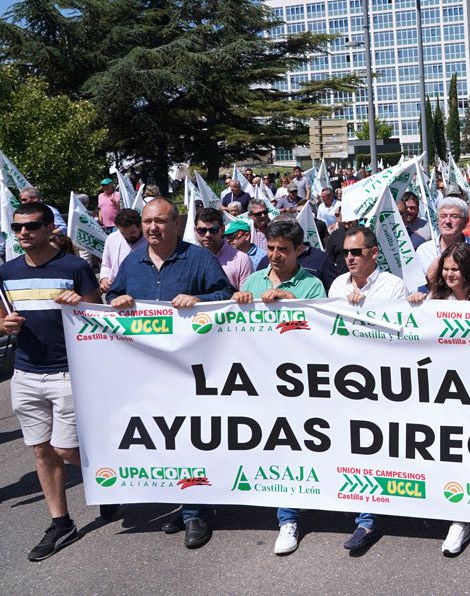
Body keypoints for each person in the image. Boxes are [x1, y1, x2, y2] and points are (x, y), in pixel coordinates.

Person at [107, 198, 234, 550]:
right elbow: (115, 295)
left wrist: (197, 299)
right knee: (164, 439)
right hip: (147, 373)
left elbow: (225, 293)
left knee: (189, 437)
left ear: (176, 225)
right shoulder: (134, 260)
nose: (152, 228)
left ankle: (196, 511)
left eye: (160, 222)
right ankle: (185, 501)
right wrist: (117, 300)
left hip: (191, 370)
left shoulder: (198, 258)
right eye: (148, 222)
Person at [1, 202, 102, 561]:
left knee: (63, 448)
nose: (23, 233)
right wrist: (3, 325)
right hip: (25, 374)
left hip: (68, 373)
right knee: (41, 449)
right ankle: (61, 522)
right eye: (17, 228)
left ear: (48, 228)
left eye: (30, 226)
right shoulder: (6, 272)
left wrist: (79, 306)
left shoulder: (75, 267)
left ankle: (111, 479)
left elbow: (99, 319)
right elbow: (0, 318)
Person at [231, 219, 327, 556]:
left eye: (282, 250)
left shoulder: (312, 285)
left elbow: (321, 332)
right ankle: (283, 513)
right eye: (270, 248)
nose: (274, 255)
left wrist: (292, 302)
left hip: (300, 383)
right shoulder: (254, 280)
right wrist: (237, 302)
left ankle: (289, 518)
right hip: (258, 381)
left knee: (293, 447)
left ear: (299, 250)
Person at [408, 242, 470, 556]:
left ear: (469, 270)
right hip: (444, 393)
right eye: (445, 269)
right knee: (454, 455)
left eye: (455, 269)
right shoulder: (434, 300)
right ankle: (459, 520)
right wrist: (416, 303)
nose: (448, 275)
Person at [414, 197, 470, 301]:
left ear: (466, 221)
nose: (447, 221)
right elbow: (416, 293)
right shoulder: (424, 251)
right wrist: (429, 280)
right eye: (443, 216)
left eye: (454, 216)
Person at [194, 208, 253, 290]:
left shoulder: (241, 260)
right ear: (195, 230)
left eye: (213, 230)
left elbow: (246, 296)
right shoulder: (189, 259)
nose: (207, 235)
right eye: (202, 230)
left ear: (222, 230)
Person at [99, 208, 145, 293]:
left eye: (132, 233)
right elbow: (106, 265)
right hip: (119, 291)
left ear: (140, 226)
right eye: (123, 233)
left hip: (143, 290)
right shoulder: (112, 239)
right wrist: (104, 279)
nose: (128, 237)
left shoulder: (149, 241)